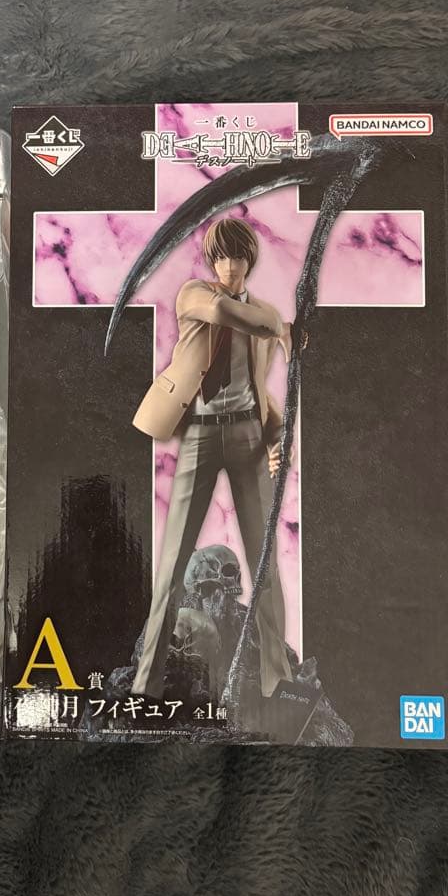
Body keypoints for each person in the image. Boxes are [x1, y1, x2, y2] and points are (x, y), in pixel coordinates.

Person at [131, 217, 293, 700]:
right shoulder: (195, 296)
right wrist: (282, 326)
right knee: (172, 565)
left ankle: (278, 681)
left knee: (265, 566)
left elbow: (260, 390)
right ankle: (145, 684)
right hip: (200, 434)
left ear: (249, 260)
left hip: (247, 435)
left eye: (237, 256)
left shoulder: (262, 315)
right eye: (220, 257)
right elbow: (225, 312)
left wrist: (277, 438)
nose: (228, 266)